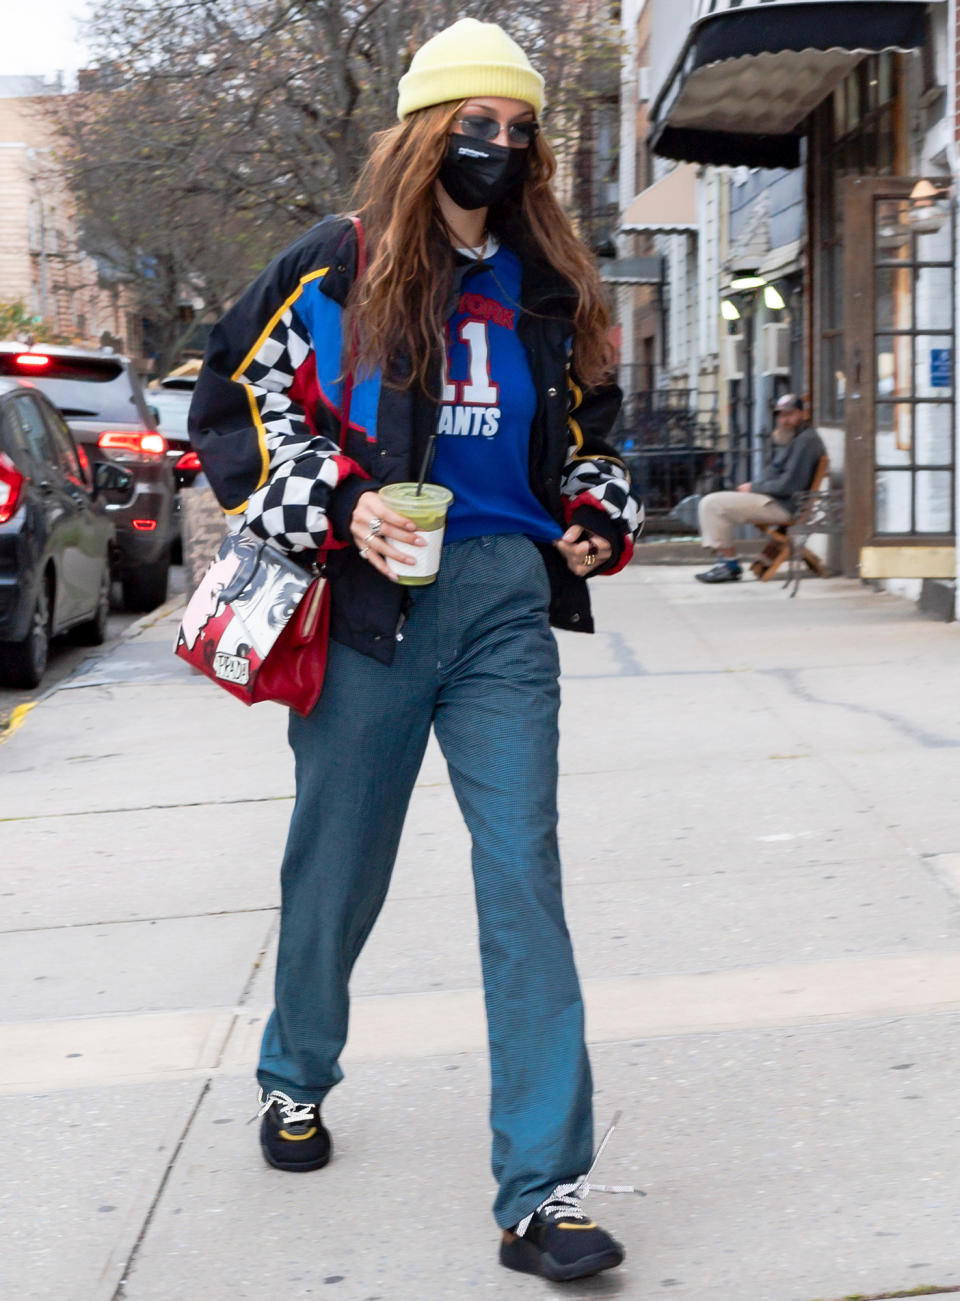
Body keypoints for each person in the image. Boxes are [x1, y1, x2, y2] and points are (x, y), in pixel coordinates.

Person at [188, 18, 642, 1284]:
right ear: (426, 132)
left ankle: (541, 1187)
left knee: (523, 873)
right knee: (338, 865)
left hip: (502, 598)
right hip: (372, 602)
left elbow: (599, 429)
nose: (500, 147)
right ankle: (295, 1071)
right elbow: (232, 406)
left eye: (520, 126)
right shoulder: (338, 264)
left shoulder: (551, 275)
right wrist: (342, 502)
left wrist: (601, 509)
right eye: (476, 124)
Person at [695, 393, 826, 583]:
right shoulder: (797, 439)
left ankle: (728, 564)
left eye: (790, 414)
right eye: (781, 415)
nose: (784, 420)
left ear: (803, 414)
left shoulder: (806, 441)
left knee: (712, 504)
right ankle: (726, 562)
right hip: (775, 500)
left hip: (783, 506)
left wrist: (754, 487)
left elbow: (789, 485)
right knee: (712, 502)